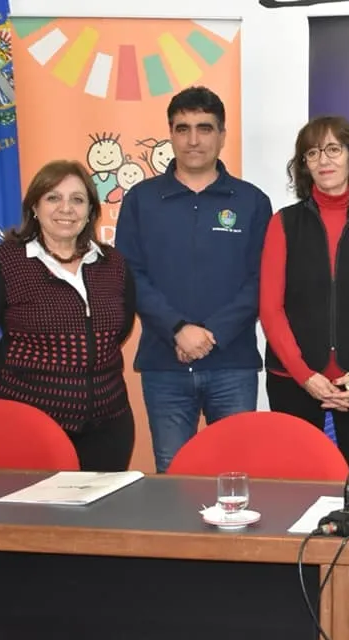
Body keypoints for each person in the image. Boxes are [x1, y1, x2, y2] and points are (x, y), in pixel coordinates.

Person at [115, 86, 272, 473]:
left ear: (222, 135)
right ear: (170, 134)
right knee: (174, 474)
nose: (193, 139)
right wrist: (178, 329)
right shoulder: (141, 200)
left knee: (234, 476)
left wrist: (211, 334)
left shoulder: (251, 201)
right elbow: (130, 274)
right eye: (182, 128)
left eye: (205, 128)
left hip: (232, 363)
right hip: (164, 363)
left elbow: (262, 279)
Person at [260, 116, 349, 481]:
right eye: (312, 152)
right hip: (293, 381)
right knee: (295, 488)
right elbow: (271, 310)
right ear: (304, 164)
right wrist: (306, 376)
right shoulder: (283, 223)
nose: (323, 160)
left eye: (333, 149)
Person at [0, 160, 135, 471]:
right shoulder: (6, 262)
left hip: (108, 426)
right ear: (34, 207)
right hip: (30, 427)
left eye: (77, 199)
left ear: (90, 210)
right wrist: (13, 365)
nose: (65, 208)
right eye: (53, 197)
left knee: (104, 504)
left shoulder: (113, 264)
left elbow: (120, 329)